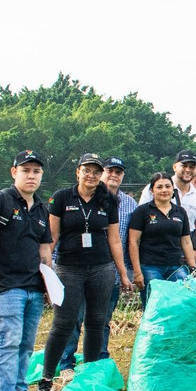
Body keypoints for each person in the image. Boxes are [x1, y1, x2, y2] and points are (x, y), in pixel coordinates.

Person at [36, 153, 132, 391]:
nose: (91, 175)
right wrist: (45, 270)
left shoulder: (107, 199)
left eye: (96, 171)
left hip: (101, 268)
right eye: (86, 170)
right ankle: (46, 380)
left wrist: (122, 273)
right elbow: (52, 237)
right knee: (63, 323)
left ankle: (89, 377)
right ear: (77, 172)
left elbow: (114, 239)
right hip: (69, 268)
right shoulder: (62, 197)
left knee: (96, 323)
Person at [0, 150, 52, 391]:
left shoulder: (41, 208)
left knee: (26, 344)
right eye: (25, 170)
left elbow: (44, 249)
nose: (31, 176)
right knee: (9, 343)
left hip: (33, 286)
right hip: (6, 286)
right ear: (14, 173)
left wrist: (49, 284)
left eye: (36, 171)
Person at [58, 156, 137, 375]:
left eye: (118, 172)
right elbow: (57, 234)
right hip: (75, 268)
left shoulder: (128, 203)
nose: (114, 175)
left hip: (109, 270)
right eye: (110, 171)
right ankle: (66, 362)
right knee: (73, 318)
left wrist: (126, 272)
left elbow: (124, 239)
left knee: (101, 320)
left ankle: (97, 362)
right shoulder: (72, 198)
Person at [138, 150, 196, 280]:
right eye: (184, 165)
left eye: (192, 167)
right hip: (152, 259)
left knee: (187, 292)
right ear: (174, 167)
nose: (188, 170)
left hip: (182, 257)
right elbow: (139, 224)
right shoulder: (155, 188)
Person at [128, 172, 196, 306]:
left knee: (180, 305)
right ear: (152, 190)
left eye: (167, 186)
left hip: (176, 266)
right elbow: (133, 242)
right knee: (155, 307)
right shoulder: (142, 211)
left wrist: (193, 267)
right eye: (159, 187)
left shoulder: (180, 212)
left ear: (173, 189)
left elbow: (186, 241)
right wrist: (137, 272)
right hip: (150, 267)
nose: (164, 190)